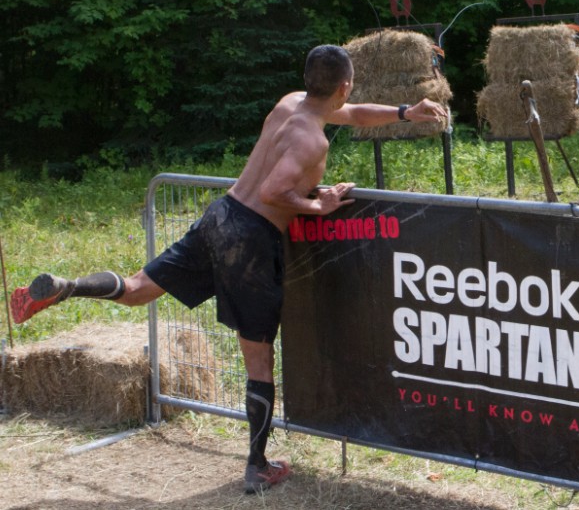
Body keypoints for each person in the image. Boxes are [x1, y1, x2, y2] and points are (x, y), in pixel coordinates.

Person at [9, 44, 447, 494]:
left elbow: (351, 115)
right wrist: (320, 204)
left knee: (139, 287)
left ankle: (67, 287)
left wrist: (403, 112)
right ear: (344, 84)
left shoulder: (290, 104)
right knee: (258, 357)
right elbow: (278, 191)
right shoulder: (312, 141)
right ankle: (257, 466)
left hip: (220, 216)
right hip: (251, 239)